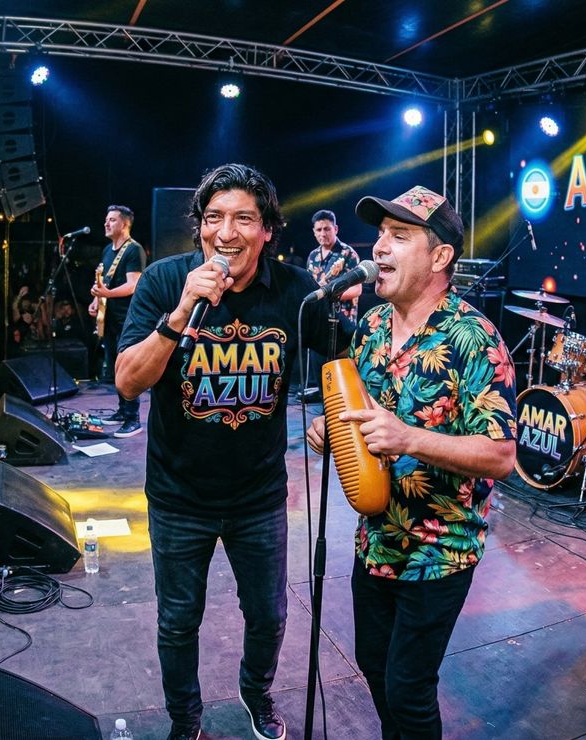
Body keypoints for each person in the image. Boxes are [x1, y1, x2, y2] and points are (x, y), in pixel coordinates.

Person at [116, 164, 345, 740]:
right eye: (214, 218)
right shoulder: (166, 283)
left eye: (244, 218)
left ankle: (256, 692)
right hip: (178, 497)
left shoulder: (294, 292)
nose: (227, 232)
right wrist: (176, 320)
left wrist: (335, 414)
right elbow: (126, 381)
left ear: (268, 229)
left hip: (260, 498)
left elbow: (354, 354)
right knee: (177, 622)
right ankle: (185, 720)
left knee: (269, 617)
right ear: (199, 230)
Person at [306, 185, 517, 739]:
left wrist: (408, 438)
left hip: (439, 552)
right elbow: (362, 413)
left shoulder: (475, 337)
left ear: (440, 257)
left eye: (399, 236)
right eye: (379, 234)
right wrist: (333, 429)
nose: (379, 247)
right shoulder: (372, 328)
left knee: (408, 686)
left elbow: (499, 455)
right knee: (375, 671)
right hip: (374, 540)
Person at [91, 205, 147, 439]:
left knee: (128, 368)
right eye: (106, 219)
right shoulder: (107, 250)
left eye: (112, 220)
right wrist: (96, 301)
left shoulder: (134, 250)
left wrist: (107, 294)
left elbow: (133, 284)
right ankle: (123, 411)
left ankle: (133, 419)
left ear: (124, 224)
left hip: (128, 319)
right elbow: (104, 283)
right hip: (111, 319)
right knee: (115, 367)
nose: (106, 223)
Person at [301, 209, 363, 399]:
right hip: (320, 324)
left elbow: (357, 289)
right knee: (322, 378)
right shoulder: (312, 256)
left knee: (342, 382)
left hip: (343, 326)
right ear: (313, 232)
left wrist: (328, 296)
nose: (323, 234)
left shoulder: (348, 254)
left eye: (327, 229)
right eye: (318, 230)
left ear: (335, 228)